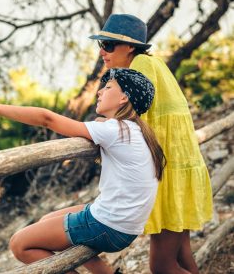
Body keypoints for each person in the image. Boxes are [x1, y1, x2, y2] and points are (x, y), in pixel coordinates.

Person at [0, 67, 166, 274]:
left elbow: (47, 119)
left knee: (19, 244)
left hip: (108, 226)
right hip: (126, 227)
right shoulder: (133, 130)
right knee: (46, 221)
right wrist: (102, 120)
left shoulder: (114, 130)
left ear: (124, 99)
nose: (100, 92)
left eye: (108, 87)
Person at [89, 14, 213, 274]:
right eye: (101, 44)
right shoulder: (151, 64)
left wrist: (101, 124)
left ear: (130, 47)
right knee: (181, 256)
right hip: (179, 170)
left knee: (162, 266)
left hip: (170, 173)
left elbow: (129, 115)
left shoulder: (141, 65)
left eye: (109, 45)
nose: (102, 51)